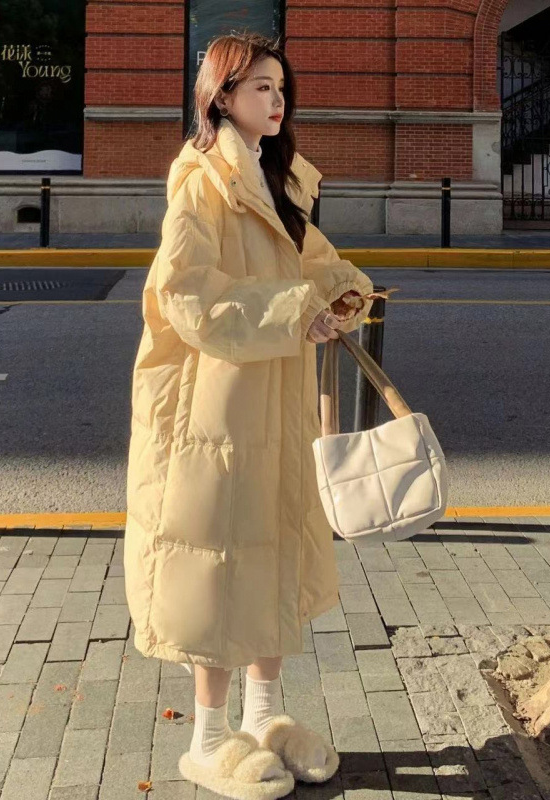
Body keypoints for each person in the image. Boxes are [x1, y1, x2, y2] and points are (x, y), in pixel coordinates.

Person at [124, 31, 375, 800]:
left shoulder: (280, 177)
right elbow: (188, 295)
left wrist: (340, 292)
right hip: (213, 411)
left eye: (281, 87)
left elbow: (312, 261)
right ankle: (207, 738)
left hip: (276, 401)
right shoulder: (200, 183)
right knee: (216, 565)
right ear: (222, 95)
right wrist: (296, 309)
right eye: (262, 87)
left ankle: (264, 718)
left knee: (271, 553)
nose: (278, 100)